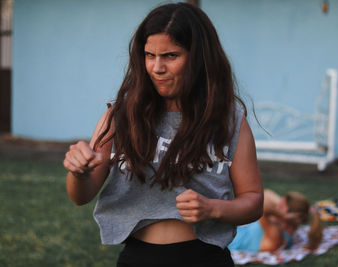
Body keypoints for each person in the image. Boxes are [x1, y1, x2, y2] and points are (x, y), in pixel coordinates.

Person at [63, 3, 263, 267]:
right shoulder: (120, 116)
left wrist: (213, 208)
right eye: (149, 55)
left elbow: (253, 201)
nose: (157, 67)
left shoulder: (228, 120)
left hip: (206, 258)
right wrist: (79, 173)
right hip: (138, 258)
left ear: (199, 57)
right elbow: (81, 196)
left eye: (170, 55)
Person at [228, 189, 323, 253]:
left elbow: (261, 206)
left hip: (227, 241)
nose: (276, 207)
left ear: (289, 215)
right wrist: (283, 209)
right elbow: (267, 193)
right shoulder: (290, 226)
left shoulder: (275, 234)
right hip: (231, 232)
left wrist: (282, 215)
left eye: (280, 206)